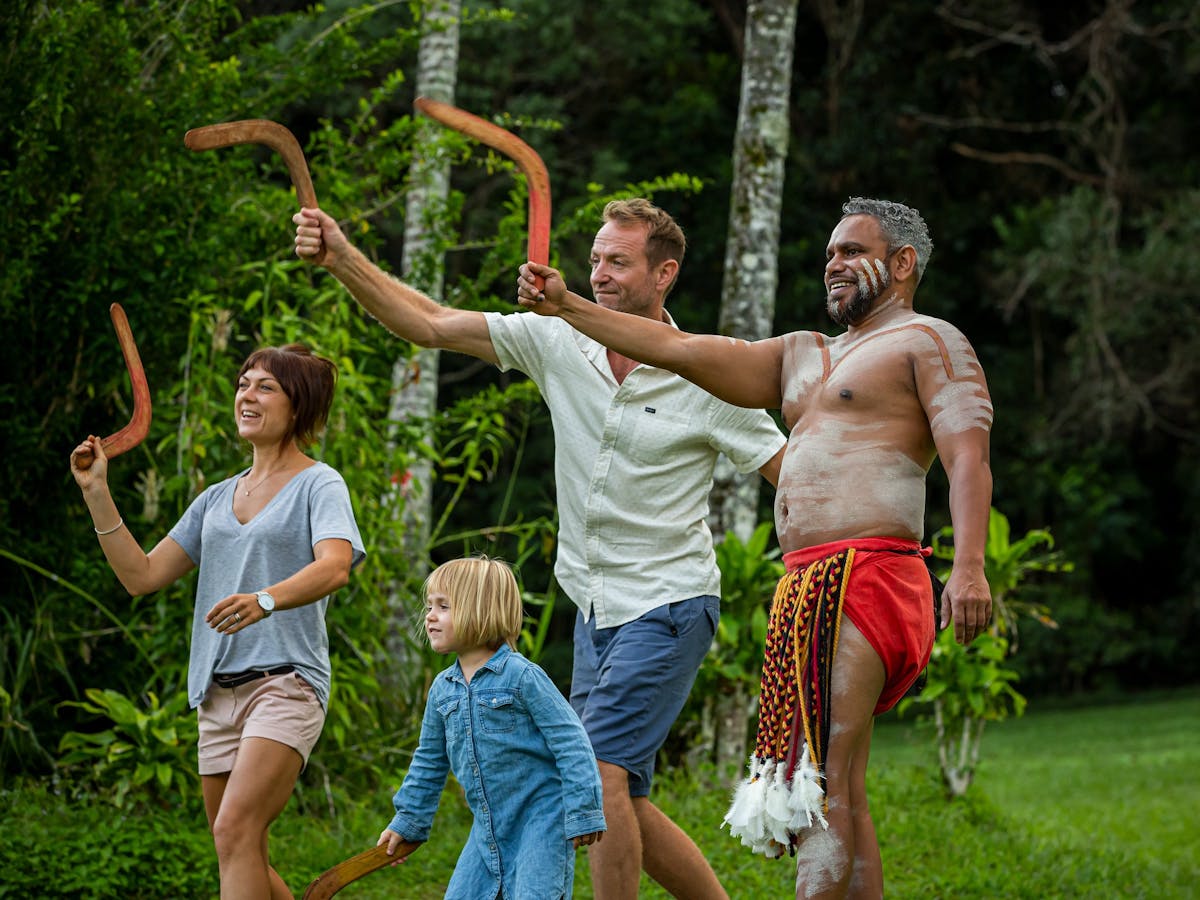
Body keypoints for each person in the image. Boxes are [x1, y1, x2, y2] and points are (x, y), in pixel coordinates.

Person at [294, 197, 786, 899]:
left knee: (598, 771)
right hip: (593, 607)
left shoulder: (705, 374)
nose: (600, 274)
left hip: (670, 601)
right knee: (624, 794)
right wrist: (341, 255)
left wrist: (837, 565)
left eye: (618, 261)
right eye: (594, 261)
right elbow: (429, 323)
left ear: (664, 272)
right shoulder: (558, 342)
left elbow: (788, 473)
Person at [516, 197, 994, 899]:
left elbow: (968, 456)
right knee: (842, 785)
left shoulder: (928, 341)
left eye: (851, 251)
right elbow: (680, 350)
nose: (832, 263)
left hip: (868, 574)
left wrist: (971, 568)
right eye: (829, 251)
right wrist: (569, 309)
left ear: (901, 264)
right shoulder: (807, 354)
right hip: (810, 584)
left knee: (819, 780)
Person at [70, 343, 366, 900]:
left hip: (285, 684)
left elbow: (335, 565)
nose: (246, 395)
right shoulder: (214, 499)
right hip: (216, 695)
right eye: (242, 383)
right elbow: (142, 575)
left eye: (264, 387)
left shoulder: (319, 483)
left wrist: (266, 600)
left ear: (297, 406)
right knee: (239, 847)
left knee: (235, 831)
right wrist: (97, 493)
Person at [379, 555, 606, 898]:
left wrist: (583, 809)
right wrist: (408, 821)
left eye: (444, 606)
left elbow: (571, 741)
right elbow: (429, 760)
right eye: (429, 606)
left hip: (540, 820)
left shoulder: (522, 677)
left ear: (480, 610)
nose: (430, 616)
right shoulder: (443, 689)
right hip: (487, 827)